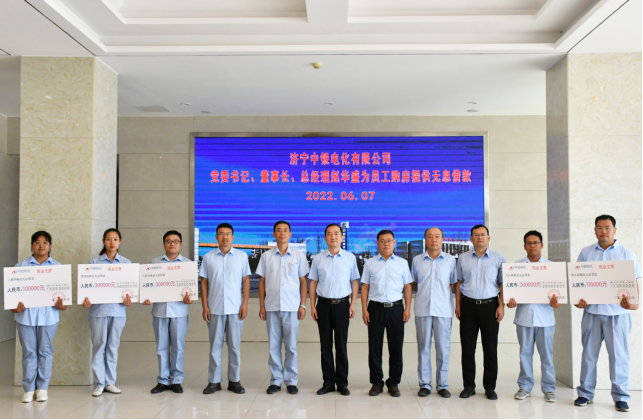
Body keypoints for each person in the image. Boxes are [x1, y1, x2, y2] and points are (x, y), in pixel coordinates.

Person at [573, 215, 640, 412]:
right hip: (592, 312)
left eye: (607, 227)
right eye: (600, 227)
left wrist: (633, 304)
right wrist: (579, 301)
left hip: (617, 314)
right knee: (589, 354)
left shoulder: (626, 253)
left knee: (619, 356)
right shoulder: (586, 253)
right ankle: (585, 394)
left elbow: (634, 283)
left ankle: (621, 397)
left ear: (614, 230)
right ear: (595, 230)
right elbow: (578, 282)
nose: (604, 231)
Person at [12, 231, 67, 403]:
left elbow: (64, 302)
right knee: (29, 352)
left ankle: (42, 388)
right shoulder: (20, 267)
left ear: (50, 245)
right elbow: (12, 299)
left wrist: (61, 305)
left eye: (45, 242)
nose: (41, 245)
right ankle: (29, 389)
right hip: (25, 317)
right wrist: (15, 307)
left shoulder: (58, 268)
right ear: (31, 245)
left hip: (48, 317)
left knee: (45, 351)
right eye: (37, 242)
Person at [506, 230, 559, 403]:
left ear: (542, 245)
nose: (532, 246)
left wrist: (556, 302)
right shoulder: (517, 267)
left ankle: (549, 389)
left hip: (546, 320)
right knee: (525, 355)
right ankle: (525, 387)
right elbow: (511, 295)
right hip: (524, 318)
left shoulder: (551, 267)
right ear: (524, 246)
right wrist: (510, 302)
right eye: (529, 243)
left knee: (547, 356)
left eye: (535, 243)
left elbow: (559, 299)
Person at [257, 221, 309, 395]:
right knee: (274, 346)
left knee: (291, 347)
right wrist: (262, 306)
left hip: (292, 307)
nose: (282, 233)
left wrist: (303, 305)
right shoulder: (266, 256)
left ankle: (291, 381)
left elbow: (303, 282)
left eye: (285, 230)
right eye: (278, 230)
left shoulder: (299, 256)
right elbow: (262, 282)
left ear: (290, 234)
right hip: (271, 307)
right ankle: (276, 381)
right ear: (274, 234)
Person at [455, 224, 506, 400]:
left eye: (483, 235)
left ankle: (490, 387)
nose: (480, 238)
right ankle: (469, 386)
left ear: (488, 237)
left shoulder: (498, 259)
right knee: (468, 349)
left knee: (490, 349)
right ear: (471, 239)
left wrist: (501, 305)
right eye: (476, 235)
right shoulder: (463, 258)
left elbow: (502, 284)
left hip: (490, 306)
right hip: (468, 306)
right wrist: (458, 305)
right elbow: (459, 282)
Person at [308, 223, 360, 396]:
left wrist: (353, 304)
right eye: (329, 234)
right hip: (323, 305)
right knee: (325, 346)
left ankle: (342, 383)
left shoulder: (350, 258)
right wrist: (312, 305)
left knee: (341, 346)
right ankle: (328, 382)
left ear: (342, 237)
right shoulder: (318, 258)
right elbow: (313, 282)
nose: (333, 237)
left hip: (343, 305)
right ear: (325, 238)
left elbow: (354, 282)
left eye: (336, 233)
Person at [200, 223, 251, 395]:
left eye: (228, 234)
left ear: (233, 237)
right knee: (215, 346)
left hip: (235, 309)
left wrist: (245, 304)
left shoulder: (241, 256)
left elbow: (245, 280)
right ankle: (214, 382)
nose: (225, 237)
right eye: (221, 234)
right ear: (216, 237)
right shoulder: (208, 257)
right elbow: (204, 282)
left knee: (234, 347)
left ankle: (234, 381)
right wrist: (205, 305)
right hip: (214, 308)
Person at [361, 230, 413, 398]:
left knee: (396, 347)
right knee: (374, 348)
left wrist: (407, 308)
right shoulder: (370, 263)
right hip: (375, 308)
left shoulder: (402, 263)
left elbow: (407, 286)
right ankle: (377, 383)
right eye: (382, 241)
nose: (386, 244)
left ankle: (393, 383)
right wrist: (364, 309)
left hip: (396, 308)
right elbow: (365, 287)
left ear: (394, 242)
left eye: (389, 240)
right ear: (377, 243)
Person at [142, 230, 193, 394]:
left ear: (181, 244)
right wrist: (147, 297)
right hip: (160, 311)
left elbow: (191, 291)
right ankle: (163, 380)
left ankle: (176, 380)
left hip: (179, 312)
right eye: (169, 241)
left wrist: (189, 297)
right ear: (164, 244)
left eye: (176, 241)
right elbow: (149, 287)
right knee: (161, 348)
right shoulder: (154, 263)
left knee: (178, 347)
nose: (172, 244)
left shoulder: (187, 264)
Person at [82, 228, 132, 397]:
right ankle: (98, 384)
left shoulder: (126, 264)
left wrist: (129, 298)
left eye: (115, 239)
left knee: (112, 347)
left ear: (120, 242)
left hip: (118, 312)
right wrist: (86, 299)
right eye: (109, 239)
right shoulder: (94, 264)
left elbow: (130, 289)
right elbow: (87, 288)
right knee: (99, 347)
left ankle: (110, 382)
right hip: (98, 312)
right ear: (104, 241)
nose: (112, 242)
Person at [412, 227, 456, 398]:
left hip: (443, 310)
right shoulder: (417, 260)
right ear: (426, 240)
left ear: (442, 239)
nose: (434, 239)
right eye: (430, 236)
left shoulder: (450, 261)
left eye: (437, 236)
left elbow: (453, 284)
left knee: (443, 349)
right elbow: (414, 283)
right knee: (423, 348)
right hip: (423, 309)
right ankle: (425, 384)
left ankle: (442, 385)